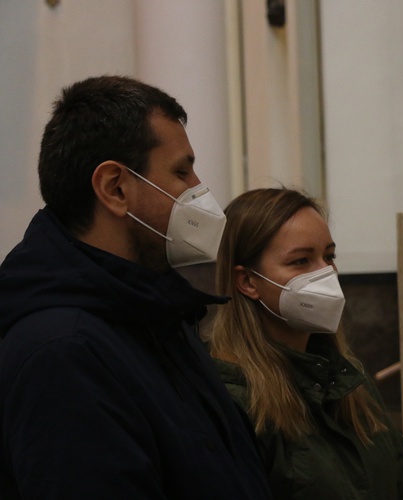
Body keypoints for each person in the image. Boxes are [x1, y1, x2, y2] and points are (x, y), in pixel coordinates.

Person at [0, 75, 271, 498]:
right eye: (181, 172)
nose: (199, 191)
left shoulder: (156, 313)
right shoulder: (61, 354)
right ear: (115, 188)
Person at [209, 188, 403, 499]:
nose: (325, 273)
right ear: (247, 282)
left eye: (329, 256)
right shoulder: (232, 399)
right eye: (301, 261)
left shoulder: (349, 381)